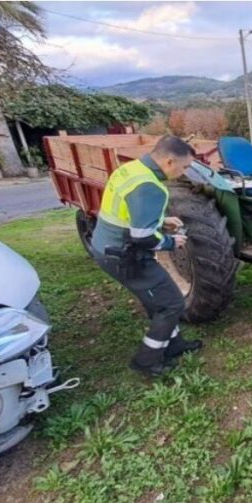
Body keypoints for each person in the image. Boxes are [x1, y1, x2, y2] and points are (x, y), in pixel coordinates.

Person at [91, 135, 202, 376]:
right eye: (184, 167)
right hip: (123, 256)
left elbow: (133, 213)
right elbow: (142, 238)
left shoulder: (131, 170)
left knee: (160, 299)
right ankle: (146, 361)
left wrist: (160, 221)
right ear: (170, 161)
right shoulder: (151, 187)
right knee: (172, 304)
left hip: (108, 246)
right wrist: (172, 241)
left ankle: (175, 345)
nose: (183, 173)